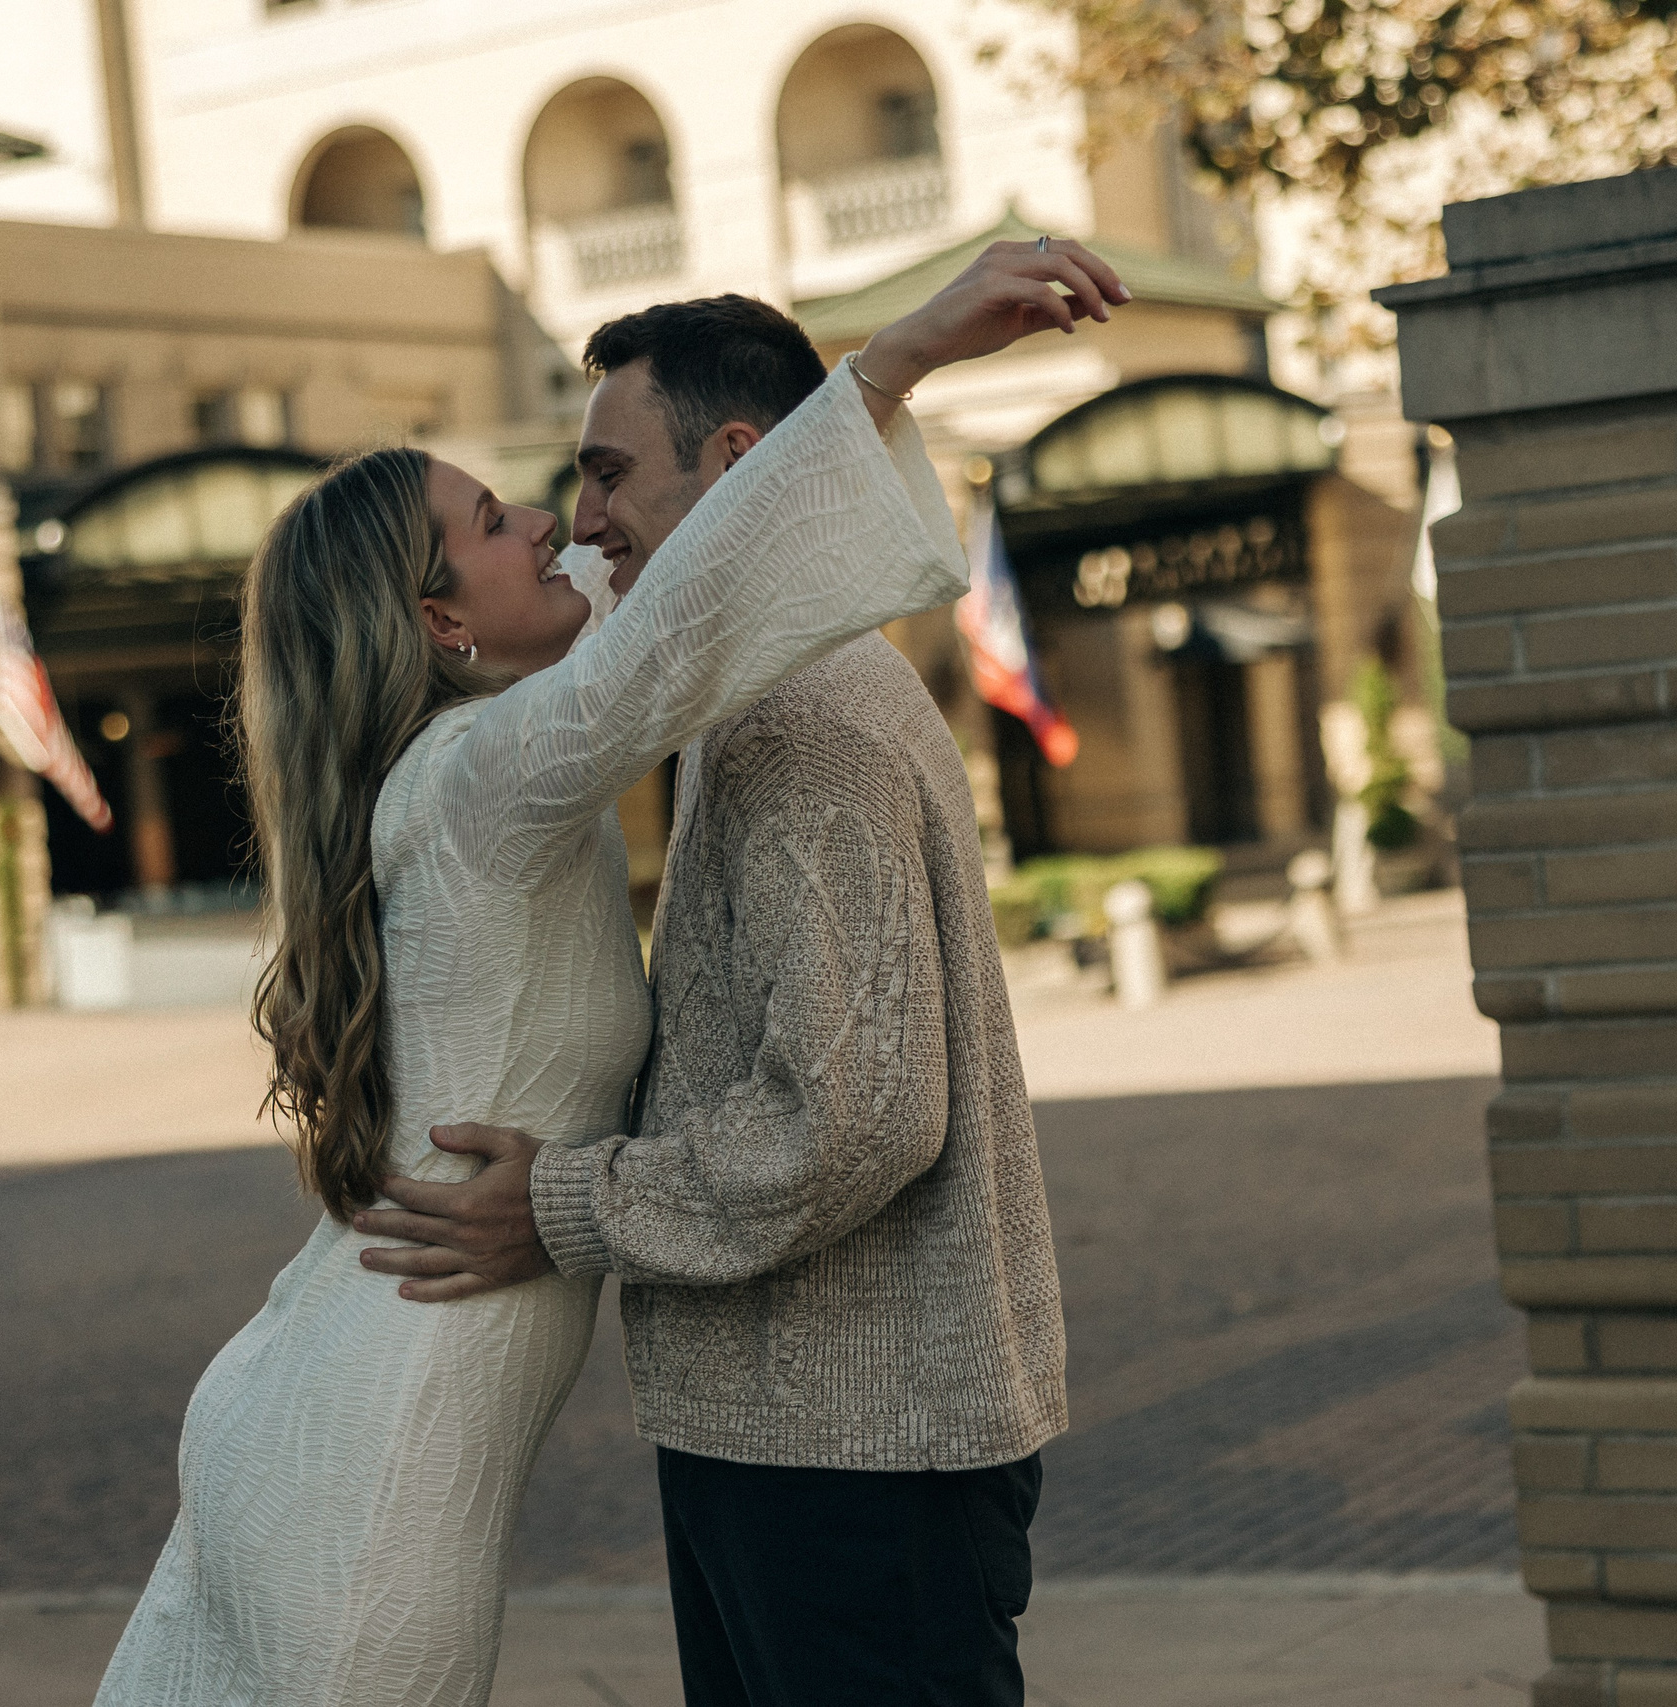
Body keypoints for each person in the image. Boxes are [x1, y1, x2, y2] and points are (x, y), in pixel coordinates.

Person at [93, 236, 1127, 1707]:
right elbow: (674, 613)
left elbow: (674, 592)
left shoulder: (612, 726)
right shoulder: (485, 779)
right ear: (442, 625)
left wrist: (872, 384)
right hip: (366, 1460)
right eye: (511, 515)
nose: (564, 528)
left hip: (379, 1410)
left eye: (585, 484)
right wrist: (893, 362)